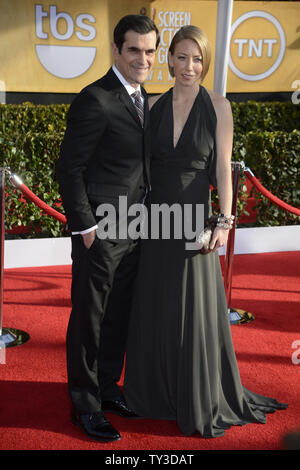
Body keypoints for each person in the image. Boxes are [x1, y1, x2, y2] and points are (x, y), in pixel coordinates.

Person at [123, 25, 288, 438]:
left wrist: (224, 221)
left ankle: (196, 393)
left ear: (206, 62)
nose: (189, 66)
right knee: (156, 305)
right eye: (181, 57)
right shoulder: (152, 104)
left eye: (197, 59)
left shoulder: (219, 106)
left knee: (192, 310)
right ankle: (153, 394)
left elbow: (223, 172)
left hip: (196, 219)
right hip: (156, 221)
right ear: (169, 58)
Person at [57, 14, 159, 442]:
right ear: (116, 49)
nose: (143, 58)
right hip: (101, 231)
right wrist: (85, 227)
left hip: (135, 228)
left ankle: (105, 388)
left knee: (117, 316)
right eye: (134, 49)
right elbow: (69, 168)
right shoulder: (94, 99)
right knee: (90, 320)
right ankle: (84, 406)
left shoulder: (142, 96)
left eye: (150, 51)